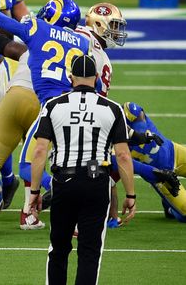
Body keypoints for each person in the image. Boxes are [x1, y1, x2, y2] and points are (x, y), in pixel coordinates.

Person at [28, 55, 136, 285]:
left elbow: (39, 152)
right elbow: (124, 156)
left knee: (58, 249)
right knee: (89, 252)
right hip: (96, 182)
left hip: (63, 181)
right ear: (96, 79)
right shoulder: (113, 108)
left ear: (70, 78)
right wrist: (130, 194)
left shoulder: (53, 105)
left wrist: (35, 192)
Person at [122, 101, 185, 222]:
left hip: (174, 151)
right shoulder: (108, 141)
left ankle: (169, 203)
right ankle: (171, 208)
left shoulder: (128, 109)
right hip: (160, 174)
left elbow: (139, 119)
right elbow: (122, 162)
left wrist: (130, 134)